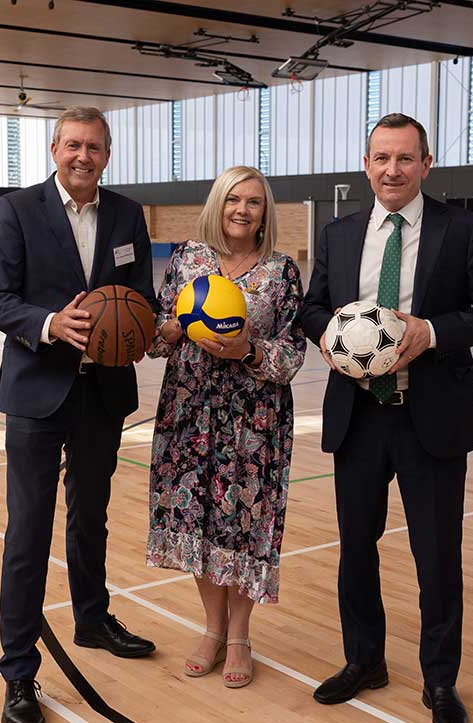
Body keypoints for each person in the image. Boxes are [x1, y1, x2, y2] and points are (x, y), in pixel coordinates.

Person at [300, 113, 473, 723]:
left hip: (432, 418)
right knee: (355, 550)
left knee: (438, 557)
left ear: (426, 165)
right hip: (359, 417)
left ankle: (440, 680)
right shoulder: (339, 233)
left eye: (404, 158)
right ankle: (365, 661)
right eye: (380, 158)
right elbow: (314, 306)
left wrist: (432, 331)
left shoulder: (462, 230)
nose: (391, 170)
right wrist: (330, 336)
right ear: (366, 165)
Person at [0, 106, 159, 723]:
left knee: (92, 516)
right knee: (27, 531)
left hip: (102, 393)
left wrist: (141, 330)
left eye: (95, 147)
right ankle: (19, 671)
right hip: (37, 392)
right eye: (73, 145)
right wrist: (51, 324)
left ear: (107, 154)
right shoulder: (17, 210)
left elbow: (142, 300)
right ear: (55, 148)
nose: (84, 156)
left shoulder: (126, 214)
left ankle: (92, 617)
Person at [145, 165, 306, 688]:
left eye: (254, 202)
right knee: (198, 521)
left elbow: (293, 350)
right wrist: (171, 326)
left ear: (266, 213)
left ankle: (240, 634)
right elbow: (155, 337)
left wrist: (250, 350)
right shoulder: (187, 259)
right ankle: (211, 628)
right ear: (218, 204)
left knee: (245, 524)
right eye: (233, 199)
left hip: (254, 420)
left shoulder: (281, 273)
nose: (242, 209)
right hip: (188, 412)